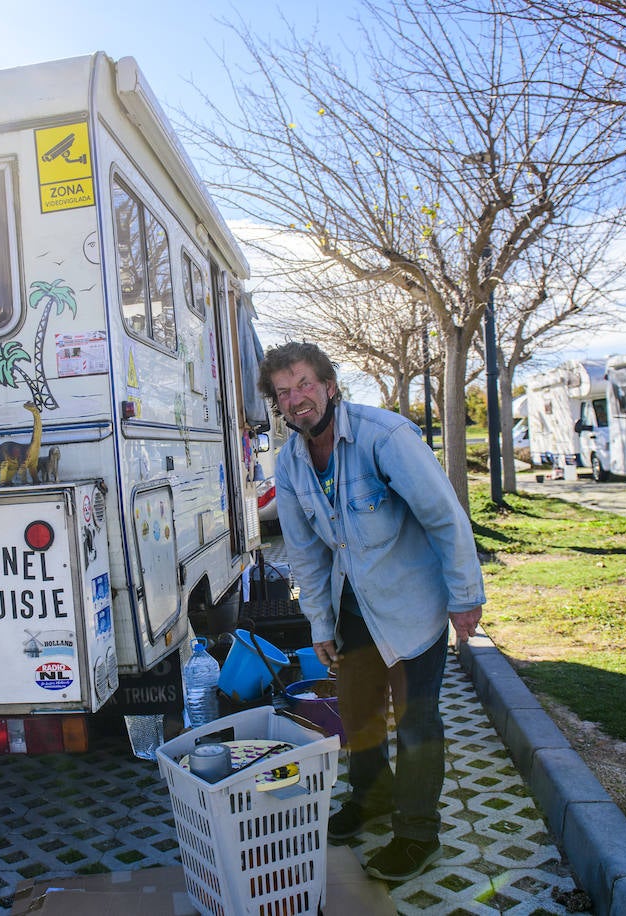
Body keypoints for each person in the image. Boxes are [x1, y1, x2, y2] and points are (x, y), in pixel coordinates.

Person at [257, 341, 485, 883]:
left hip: (414, 606)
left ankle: (416, 834)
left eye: (305, 384)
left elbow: (444, 518)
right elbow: (306, 554)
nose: (297, 399)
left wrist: (465, 597)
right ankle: (374, 798)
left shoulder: (386, 437)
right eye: (284, 393)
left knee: (416, 722)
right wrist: (318, 623)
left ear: (330, 386)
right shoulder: (289, 463)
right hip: (351, 612)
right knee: (358, 719)